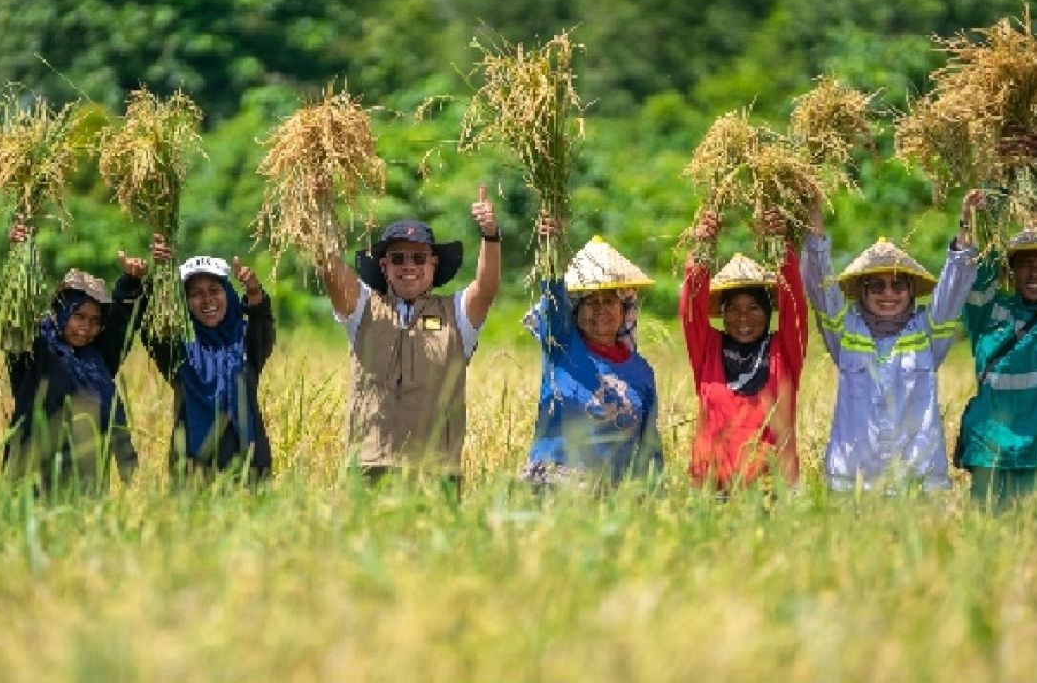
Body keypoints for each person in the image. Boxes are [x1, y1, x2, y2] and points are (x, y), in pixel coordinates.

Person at [318, 186, 500, 489]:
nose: (409, 266)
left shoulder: (457, 313)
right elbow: (329, 268)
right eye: (398, 258)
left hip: (436, 471)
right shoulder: (364, 308)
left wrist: (490, 235)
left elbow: (487, 287)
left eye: (418, 257)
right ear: (384, 266)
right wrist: (321, 207)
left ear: (434, 264)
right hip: (369, 467)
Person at [801, 192, 982, 491]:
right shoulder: (845, 333)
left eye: (898, 285)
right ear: (862, 291)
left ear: (912, 292)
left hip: (918, 485)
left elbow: (956, 280)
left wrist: (968, 222)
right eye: (877, 286)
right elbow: (820, 284)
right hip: (854, 485)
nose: (888, 294)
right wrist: (814, 217)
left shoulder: (928, 332)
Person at [3, 222, 146, 489]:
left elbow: (121, 325)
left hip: (87, 479)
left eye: (94, 321)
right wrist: (19, 253)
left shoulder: (99, 358)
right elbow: (16, 318)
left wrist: (130, 281)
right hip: (33, 477)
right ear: (59, 312)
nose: (86, 327)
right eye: (78, 316)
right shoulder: (34, 352)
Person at [521, 221, 661, 489]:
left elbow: (649, 444)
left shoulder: (641, 372)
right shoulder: (562, 349)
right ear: (575, 311)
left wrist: (654, 492)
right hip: (552, 484)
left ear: (624, 310)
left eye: (608, 301)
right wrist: (553, 249)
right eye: (590, 303)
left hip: (611, 493)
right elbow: (553, 296)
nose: (600, 311)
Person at [682, 209, 806, 490]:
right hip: (712, 490)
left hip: (772, 489)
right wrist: (701, 252)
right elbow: (691, 308)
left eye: (753, 308)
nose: (743, 318)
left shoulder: (783, 352)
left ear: (768, 311)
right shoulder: (708, 349)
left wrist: (781, 246)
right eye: (734, 309)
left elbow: (795, 305)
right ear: (722, 314)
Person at [142, 238, 275, 480]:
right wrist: (160, 273)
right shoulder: (179, 353)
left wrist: (254, 291)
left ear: (229, 294)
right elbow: (151, 329)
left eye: (215, 290)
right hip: (193, 474)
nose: (207, 300)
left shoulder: (246, 342)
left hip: (250, 471)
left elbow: (262, 322)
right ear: (185, 302)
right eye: (196, 294)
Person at [957, 220, 1037, 501]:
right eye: (1025, 264)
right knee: (988, 542)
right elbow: (978, 263)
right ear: (1011, 270)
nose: (1034, 273)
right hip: (990, 455)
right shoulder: (991, 314)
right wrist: (977, 215)